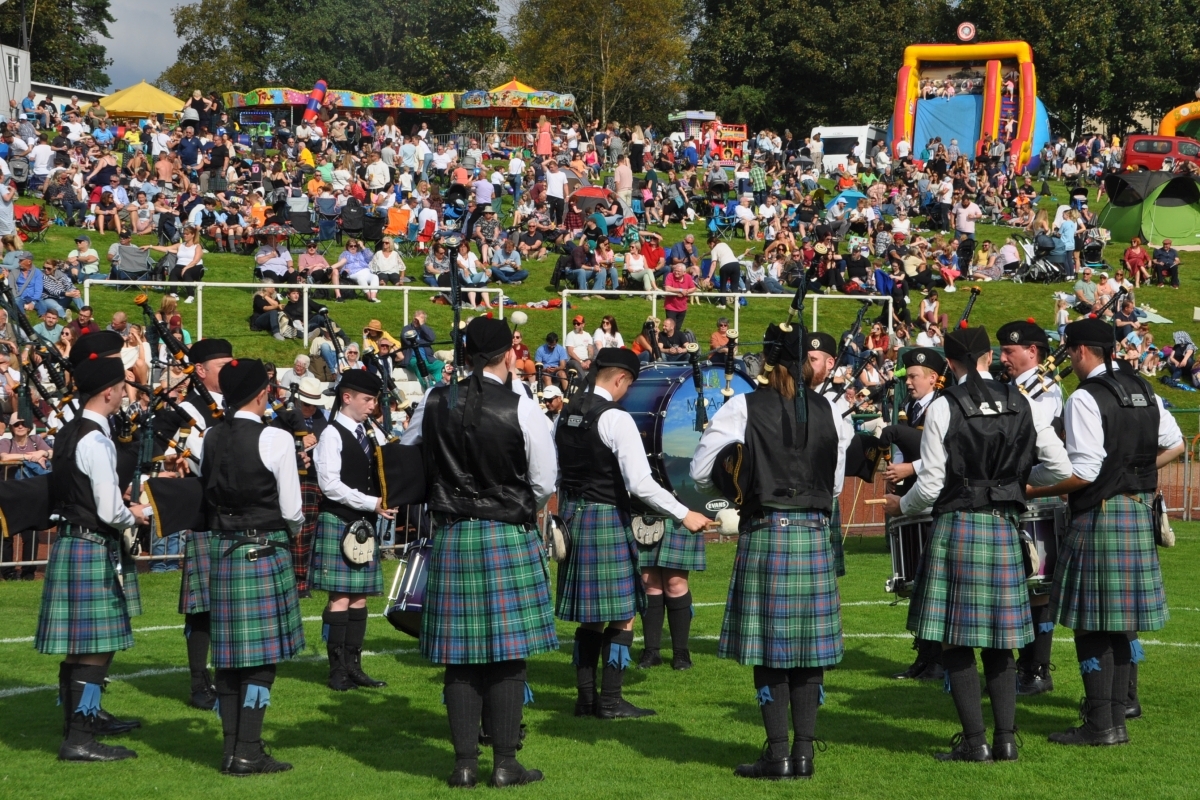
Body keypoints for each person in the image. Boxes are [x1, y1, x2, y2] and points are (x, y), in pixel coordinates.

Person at [883, 327, 1071, 763]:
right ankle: (1006, 741)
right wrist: (1016, 485)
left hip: (959, 524)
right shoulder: (1022, 400)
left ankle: (975, 742)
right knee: (1002, 640)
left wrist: (901, 507)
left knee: (955, 639)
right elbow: (1059, 466)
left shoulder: (944, 407)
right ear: (990, 356)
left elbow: (929, 485)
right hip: (1004, 525)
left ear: (949, 364)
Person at [401, 317, 559, 788]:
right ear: (508, 354)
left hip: (452, 535)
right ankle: (506, 763)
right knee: (507, 657)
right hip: (506, 533)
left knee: (460, 657)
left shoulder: (432, 401)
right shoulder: (522, 407)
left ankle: (464, 764)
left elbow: (408, 453)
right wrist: (520, 507)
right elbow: (544, 481)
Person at [689, 323, 848, 780]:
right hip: (814, 532)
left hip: (767, 531)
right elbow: (834, 486)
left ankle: (777, 753)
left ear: (771, 360)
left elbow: (702, 471)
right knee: (809, 651)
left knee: (771, 649)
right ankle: (803, 755)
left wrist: (740, 472)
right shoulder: (831, 412)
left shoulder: (743, 406)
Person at [1030, 318, 1184, 746]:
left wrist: (1032, 487)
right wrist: (1134, 474)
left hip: (1100, 515)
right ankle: (1113, 719)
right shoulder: (1143, 390)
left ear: (1080, 351)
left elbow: (1084, 472)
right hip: (1136, 511)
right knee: (1118, 624)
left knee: (1092, 625)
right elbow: (1177, 444)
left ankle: (1101, 725)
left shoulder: (1085, 397)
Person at [557, 348, 711, 717]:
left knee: (590, 616)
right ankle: (610, 701)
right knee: (623, 613)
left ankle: (585, 700)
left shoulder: (566, 413)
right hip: (606, 518)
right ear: (621, 379)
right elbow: (640, 483)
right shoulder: (616, 418)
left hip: (573, 516)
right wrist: (683, 512)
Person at [34, 355, 150, 762]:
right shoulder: (96, 440)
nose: (124, 392)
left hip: (73, 541)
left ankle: (79, 726)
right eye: (121, 387)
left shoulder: (68, 432)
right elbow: (108, 509)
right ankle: (80, 739)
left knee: (81, 646)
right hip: (92, 543)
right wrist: (134, 513)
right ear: (107, 392)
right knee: (97, 646)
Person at [200, 357, 305, 775]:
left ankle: (231, 751)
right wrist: (290, 533)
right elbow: (292, 509)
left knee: (227, 658)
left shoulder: (208, 436)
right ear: (262, 393)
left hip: (224, 550)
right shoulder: (277, 439)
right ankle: (248, 750)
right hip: (264, 548)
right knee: (260, 660)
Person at [313, 370, 396, 691]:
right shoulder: (331, 433)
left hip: (363, 523)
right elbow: (330, 485)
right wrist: (372, 502)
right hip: (340, 520)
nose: (373, 406)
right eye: (367, 399)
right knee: (340, 597)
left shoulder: (369, 432)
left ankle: (354, 666)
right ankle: (337, 670)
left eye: (375, 399)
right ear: (346, 398)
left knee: (360, 597)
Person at [881, 347, 947, 680]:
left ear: (934, 378)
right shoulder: (911, 408)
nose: (909, 382)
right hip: (916, 500)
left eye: (914, 376)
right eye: (907, 377)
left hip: (935, 501)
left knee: (931, 583)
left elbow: (947, 453)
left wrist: (911, 467)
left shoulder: (943, 406)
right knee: (919, 583)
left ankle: (937, 660)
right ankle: (926, 655)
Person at [175, 338, 233, 711]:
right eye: (222, 365)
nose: (230, 371)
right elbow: (176, 456)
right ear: (200, 370)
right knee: (202, 605)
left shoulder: (239, 404)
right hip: (204, 513)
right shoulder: (187, 410)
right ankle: (199, 681)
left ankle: (231, 676)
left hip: (238, 513)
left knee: (233, 600)